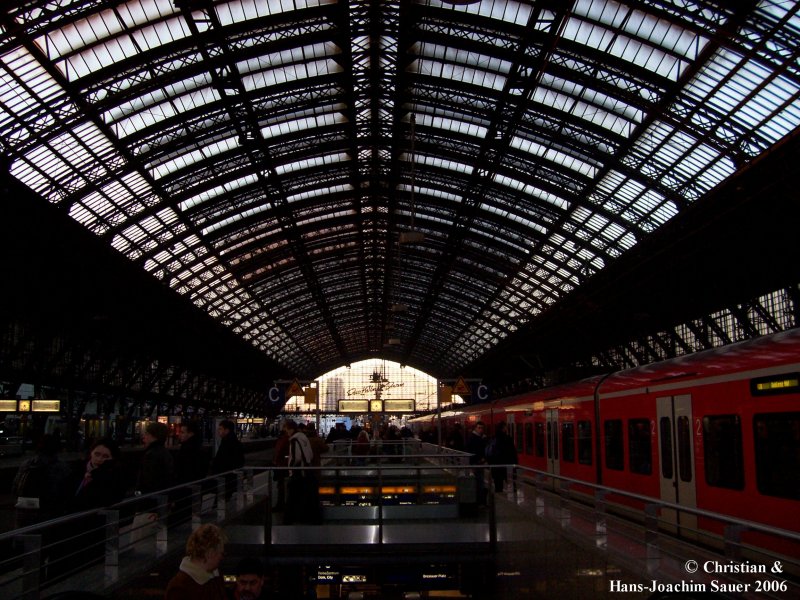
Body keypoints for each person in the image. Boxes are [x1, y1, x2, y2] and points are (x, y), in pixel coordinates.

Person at [12, 433, 72, 527]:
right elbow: (66, 492)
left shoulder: (26, 465)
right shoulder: (62, 467)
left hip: (25, 513)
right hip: (49, 515)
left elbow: (15, 488)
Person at [165, 524, 227, 600]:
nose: (221, 557)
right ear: (210, 553)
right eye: (221, 553)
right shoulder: (179, 588)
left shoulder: (214, 577)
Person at [72, 437, 126, 511]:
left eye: (105, 456)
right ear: (91, 453)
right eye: (97, 454)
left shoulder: (115, 476)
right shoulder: (78, 468)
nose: (99, 459)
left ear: (113, 458)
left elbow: (111, 502)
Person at [284, 419, 320, 524]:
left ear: (291, 429)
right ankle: (306, 519)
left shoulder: (294, 440)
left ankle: (292, 520)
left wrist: (290, 468)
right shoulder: (304, 437)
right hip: (307, 471)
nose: (286, 432)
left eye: (286, 430)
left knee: (293, 498)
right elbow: (311, 454)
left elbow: (296, 458)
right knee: (305, 498)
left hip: (298, 473)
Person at [137, 421, 174, 495]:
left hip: (151, 495)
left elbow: (147, 480)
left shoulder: (151, 455)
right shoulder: (164, 452)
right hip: (161, 493)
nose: (144, 437)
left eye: (147, 434)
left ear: (154, 436)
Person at [211, 419, 245, 499]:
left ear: (227, 430)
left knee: (221, 501)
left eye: (220, 429)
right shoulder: (234, 442)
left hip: (225, 480)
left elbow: (222, 461)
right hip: (231, 479)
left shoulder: (226, 443)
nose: (218, 431)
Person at [487, 421, 518, 493]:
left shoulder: (493, 439)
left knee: (498, 487)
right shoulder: (508, 439)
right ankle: (512, 498)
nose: (507, 429)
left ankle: (498, 497)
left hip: (496, 467)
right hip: (508, 466)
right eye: (506, 427)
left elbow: (489, 452)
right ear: (503, 428)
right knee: (511, 485)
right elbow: (513, 453)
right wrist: (515, 464)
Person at [465, 421, 488, 506]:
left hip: (478, 463)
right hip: (476, 463)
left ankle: (480, 501)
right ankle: (480, 502)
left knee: (480, 482)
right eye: (479, 428)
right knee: (479, 482)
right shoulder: (473, 438)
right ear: (475, 428)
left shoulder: (480, 438)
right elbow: (472, 451)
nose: (481, 430)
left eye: (482, 428)